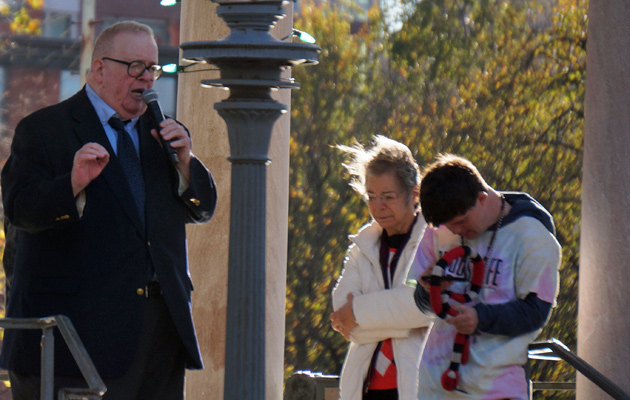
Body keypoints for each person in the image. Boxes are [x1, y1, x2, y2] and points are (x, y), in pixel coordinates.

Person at [0, 21, 217, 400]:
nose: (146, 79)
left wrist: (186, 163)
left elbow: (201, 209)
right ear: (99, 69)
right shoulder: (45, 130)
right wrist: (71, 184)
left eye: (152, 68)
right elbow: (20, 209)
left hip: (160, 335)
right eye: (135, 67)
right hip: (80, 340)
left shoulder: (163, 135)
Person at [411, 154, 560, 400]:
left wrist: (481, 318)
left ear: (482, 198)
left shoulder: (532, 236)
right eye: (448, 226)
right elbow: (422, 306)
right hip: (434, 387)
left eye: (461, 222)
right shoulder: (440, 229)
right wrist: (427, 290)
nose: (456, 231)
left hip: (496, 390)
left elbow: (536, 312)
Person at [330, 135, 432, 400]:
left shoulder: (435, 240)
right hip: (364, 391)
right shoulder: (361, 245)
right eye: (371, 196)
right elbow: (342, 314)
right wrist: (405, 320)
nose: (378, 206)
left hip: (421, 389)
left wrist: (359, 312)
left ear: (414, 193)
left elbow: (424, 306)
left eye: (388, 196)